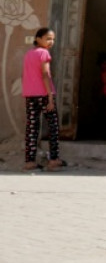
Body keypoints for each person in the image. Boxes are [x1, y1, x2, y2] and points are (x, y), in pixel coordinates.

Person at [22, 27, 65, 171]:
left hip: (30, 95)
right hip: (44, 94)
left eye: (53, 39)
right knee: (53, 127)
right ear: (38, 39)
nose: (51, 42)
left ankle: (29, 162)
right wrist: (50, 98)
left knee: (32, 128)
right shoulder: (44, 53)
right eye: (48, 38)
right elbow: (45, 75)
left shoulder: (29, 54)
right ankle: (54, 159)